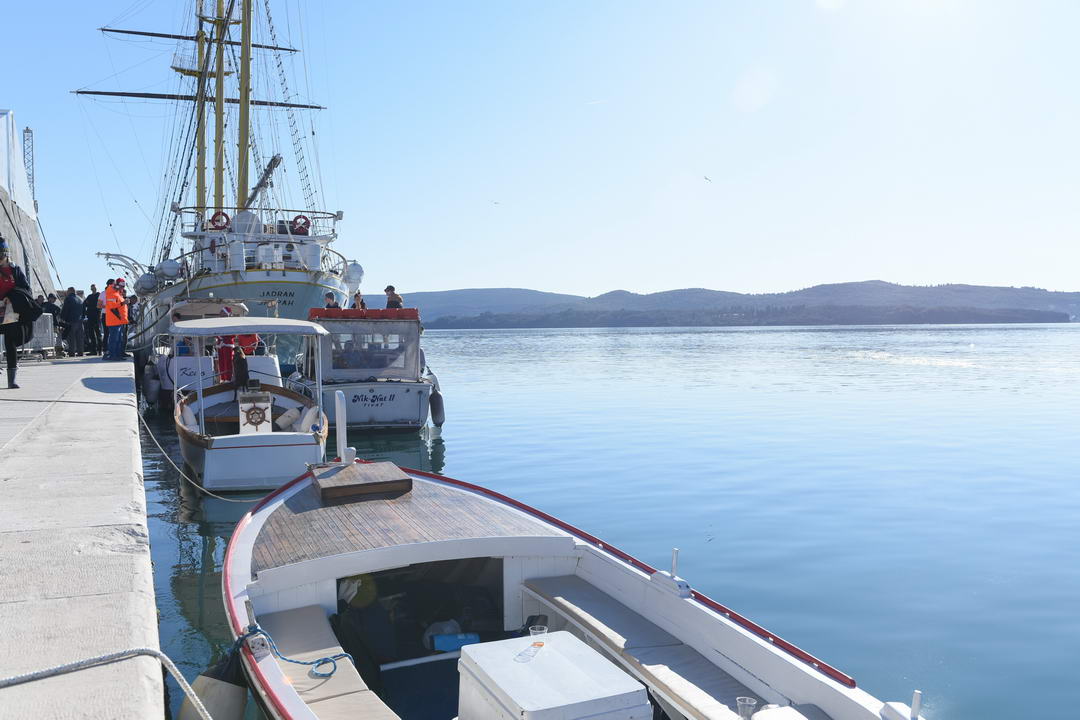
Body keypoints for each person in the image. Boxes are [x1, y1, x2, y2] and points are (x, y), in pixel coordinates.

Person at [0, 239, 39, 388]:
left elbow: (26, 289)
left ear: (6, 254)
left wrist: (11, 296)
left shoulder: (15, 270)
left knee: (10, 342)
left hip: (10, 311)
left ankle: (12, 380)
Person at [103, 278, 129, 360]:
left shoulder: (117, 294)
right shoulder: (111, 293)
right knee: (114, 339)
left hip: (118, 321)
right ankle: (113, 356)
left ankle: (117, 355)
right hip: (114, 321)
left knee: (118, 340)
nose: (122, 288)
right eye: (121, 286)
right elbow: (112, 307)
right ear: (116, 285)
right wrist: (123, 303)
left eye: (123, 286)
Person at [60, 287, 85, 357]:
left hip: (71, 321)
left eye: (67, 291)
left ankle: (72, 352)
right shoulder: (81, 299)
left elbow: (65, 309)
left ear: (70, 291)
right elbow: (84, 311)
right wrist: (82, 319)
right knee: (79, 338)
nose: (67, 292)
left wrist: (62, 318)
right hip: (80, 321)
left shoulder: (68, 299)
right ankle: (80, 352)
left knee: (71, 338)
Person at [216, 306, 236, 382]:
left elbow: (234, 334)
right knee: (221, 362)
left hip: (228, 344)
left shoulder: (231, 323)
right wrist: (219, 336)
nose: (220, 313)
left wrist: (223, 337)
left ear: (226, 313)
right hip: (220, 344)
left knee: (228, 362)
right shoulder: (218, 323)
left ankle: (228, 378)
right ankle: (223, 378)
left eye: (222, 312)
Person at [83, 284, 101, 356]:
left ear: (96, 288)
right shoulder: (89, 296)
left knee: (98, 333)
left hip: (96, 316)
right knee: (91, 334)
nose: (93, 289)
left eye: (94, 288)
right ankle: (93, 350)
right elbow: (84, 304)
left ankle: (100, 350)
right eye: (92, 288)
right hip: (90, 317)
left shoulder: (99, 295)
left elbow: (100, 305)